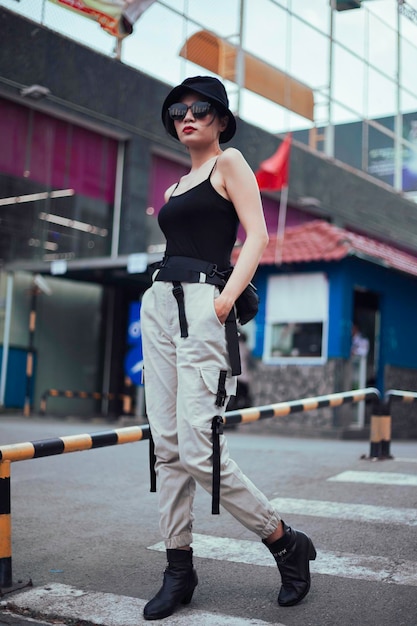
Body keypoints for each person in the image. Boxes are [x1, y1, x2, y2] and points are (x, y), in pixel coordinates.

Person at [140, 75, 316, 621]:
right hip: (160, 306)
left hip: (202, 305)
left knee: (197, 447)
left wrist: (224, 300)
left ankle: (284, 540)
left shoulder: (229, 163)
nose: (185, 117)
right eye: (177, 110)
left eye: (198, 109)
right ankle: (178, 568)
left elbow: (257, 236)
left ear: (219, 118)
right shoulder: (174, 188)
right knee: (166, 448)